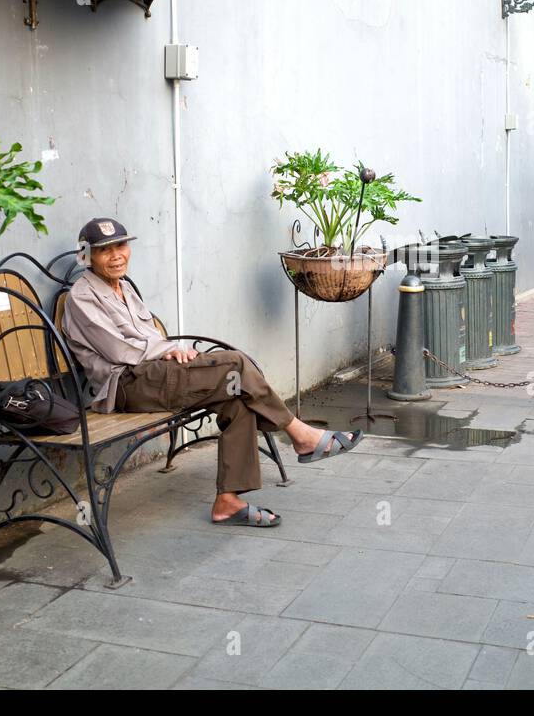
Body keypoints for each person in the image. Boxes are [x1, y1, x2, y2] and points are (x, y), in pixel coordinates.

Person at [60, 217, 364, 528]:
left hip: (154, 373)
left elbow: (149, 335)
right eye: (104, 250)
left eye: (121, 246)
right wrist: (167, 350)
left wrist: (171, 351)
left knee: (237, 399)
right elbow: (117, 350)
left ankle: (227, 502)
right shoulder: (82, 296)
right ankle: (301, 435)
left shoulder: (123, 287)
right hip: (127, 384)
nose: (116, 255)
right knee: (234, 363)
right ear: (87, 256)